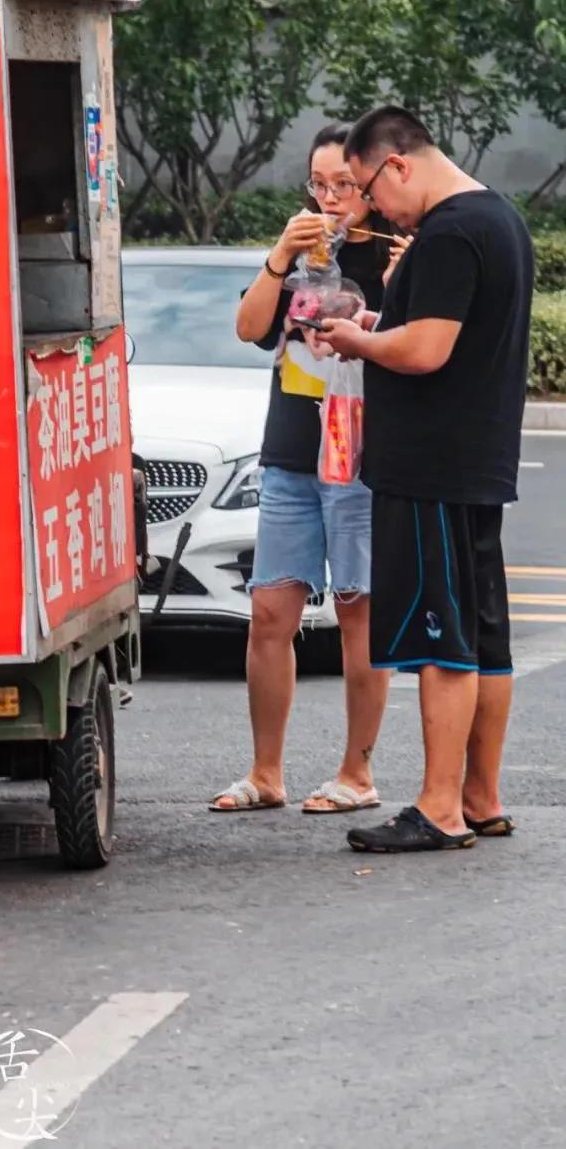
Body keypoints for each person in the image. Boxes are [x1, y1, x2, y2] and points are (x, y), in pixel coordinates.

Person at [323, 107, 533, 854]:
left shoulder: (448, 232)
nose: (376, 208)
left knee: (441, 639)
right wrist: (380, 321)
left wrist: (357, 340)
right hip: (477, 461)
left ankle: (439, 808)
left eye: (369, 188)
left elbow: (427, 350)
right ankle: (481, 797)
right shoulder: (500, 218)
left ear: (398, 164)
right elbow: (447, 330)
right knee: (485, 639)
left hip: (431, 467)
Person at [210, 123, 398, 816]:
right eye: (318, 185)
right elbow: (248, 327)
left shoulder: (397, 250)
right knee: (269, 612)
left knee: (357, 611)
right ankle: (266, 773)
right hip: (292, 449)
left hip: (361, 455)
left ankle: (357, 773)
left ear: (372, 183)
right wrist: (277, 258)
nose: (330, 198)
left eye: (344, 184)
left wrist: (385, 301)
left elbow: (422, 343)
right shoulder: (299, 251)